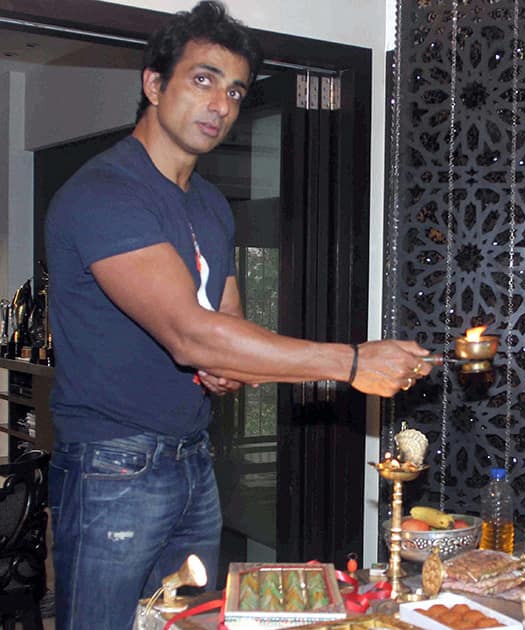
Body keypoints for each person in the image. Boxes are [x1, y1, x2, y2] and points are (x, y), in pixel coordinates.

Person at [43, 2, 431, 628]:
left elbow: (225, 321)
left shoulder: (211, 206)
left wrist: (226, 367)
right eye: (202, 79)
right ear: (153, 83)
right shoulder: (105, 192)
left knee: (189, 622)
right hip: (114, 464)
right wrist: (353, 362)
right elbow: (193, 334)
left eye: (235, 90)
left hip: (193, 456)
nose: (221, 104)